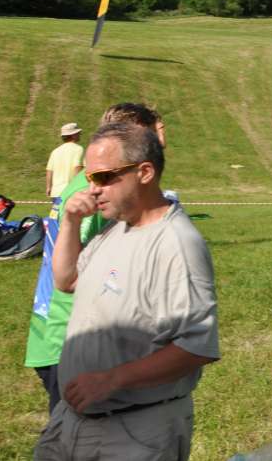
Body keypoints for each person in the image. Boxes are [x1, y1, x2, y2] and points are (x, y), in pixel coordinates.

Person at [34, 122, 218, 461]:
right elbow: (66, 280)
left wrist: (112, 380)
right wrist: (70, 222)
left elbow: (197, 347)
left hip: (132, 433)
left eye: (104, 177)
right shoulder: (116, 228)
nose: (93, 190)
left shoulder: (176, 244)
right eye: (90, 178)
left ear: (145, 172)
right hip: (73, 421)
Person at [24, 104, 166, 416]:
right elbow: (72, 274)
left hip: (77, 336)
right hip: (69, 337)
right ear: (132, 136)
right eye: (156, 133)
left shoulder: (97, 184)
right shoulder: (99, 189)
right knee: (82, 434)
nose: (162, 142)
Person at [45, 123, 84, 201]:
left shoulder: (55, 151)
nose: (79, 135)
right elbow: (77, 168)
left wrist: (48, 187)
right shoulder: (78, 149)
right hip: (70, 192)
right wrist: (79, 188)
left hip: (56, 193)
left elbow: (49, 171)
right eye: (78, 133)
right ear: (73, 135)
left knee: (58, 209)